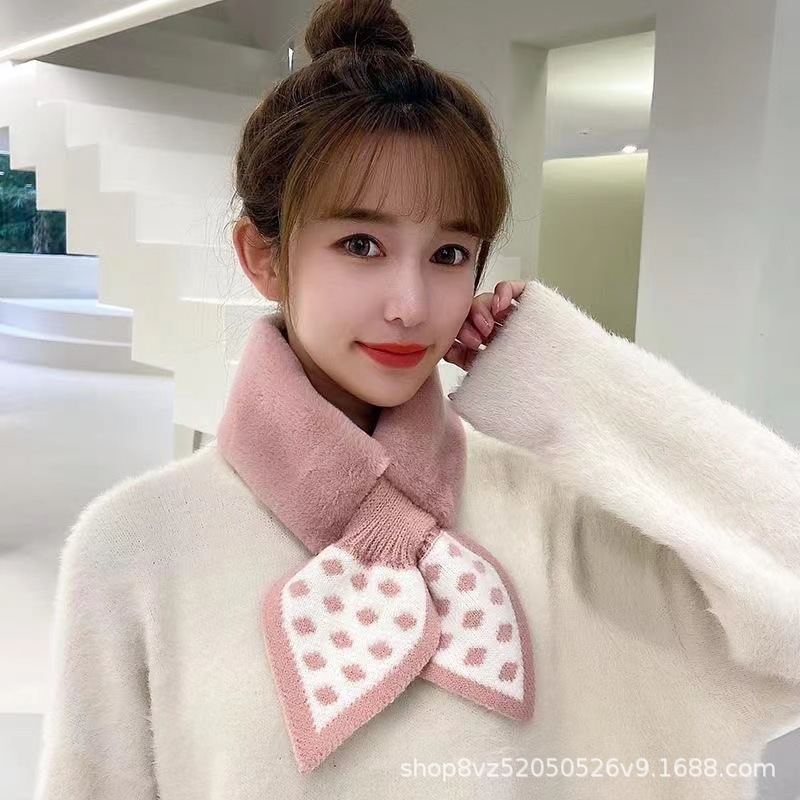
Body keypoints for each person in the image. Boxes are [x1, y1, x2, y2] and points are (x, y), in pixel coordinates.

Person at [33, 0, 800, 798]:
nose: (411, 304)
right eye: (361, 244)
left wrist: (575, 379)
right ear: (264, 257)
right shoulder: (138, 544)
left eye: (449, 253)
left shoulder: (546, 509)